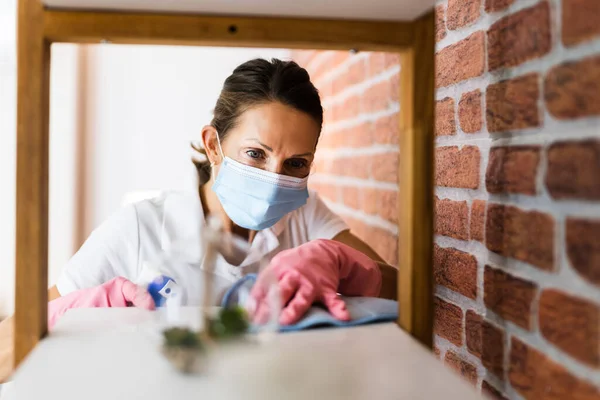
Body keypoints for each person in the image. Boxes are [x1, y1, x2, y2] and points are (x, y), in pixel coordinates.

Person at [0, 58, 397, 382]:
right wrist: (71, 318)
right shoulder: (140, 228)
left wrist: (339, 261)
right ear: (214, 145)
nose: (276, 178)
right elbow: (5, 346)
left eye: (295, 164)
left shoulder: (304, 215)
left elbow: (405, 290)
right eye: (256, 154)